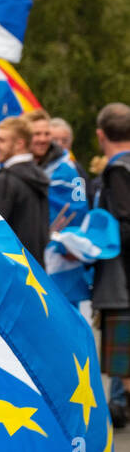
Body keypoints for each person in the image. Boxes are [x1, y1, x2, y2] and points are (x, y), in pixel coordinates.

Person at [93, 103, 130, 432]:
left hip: (123, 287)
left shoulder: (118, 170)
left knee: (127, 375)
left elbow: (125, 225)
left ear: (101, 135)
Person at [0, 116, 50, 261]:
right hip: (36, 269)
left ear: (19, 144)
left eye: (1, 140)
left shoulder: (5, 180)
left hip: (14, 268)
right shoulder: (39, 175)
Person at [25, 108, 87, 227]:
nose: (42, 139)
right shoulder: (17, 167)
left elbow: (80, 210)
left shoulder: (67, 169)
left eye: (47, 134)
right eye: (37, 134)